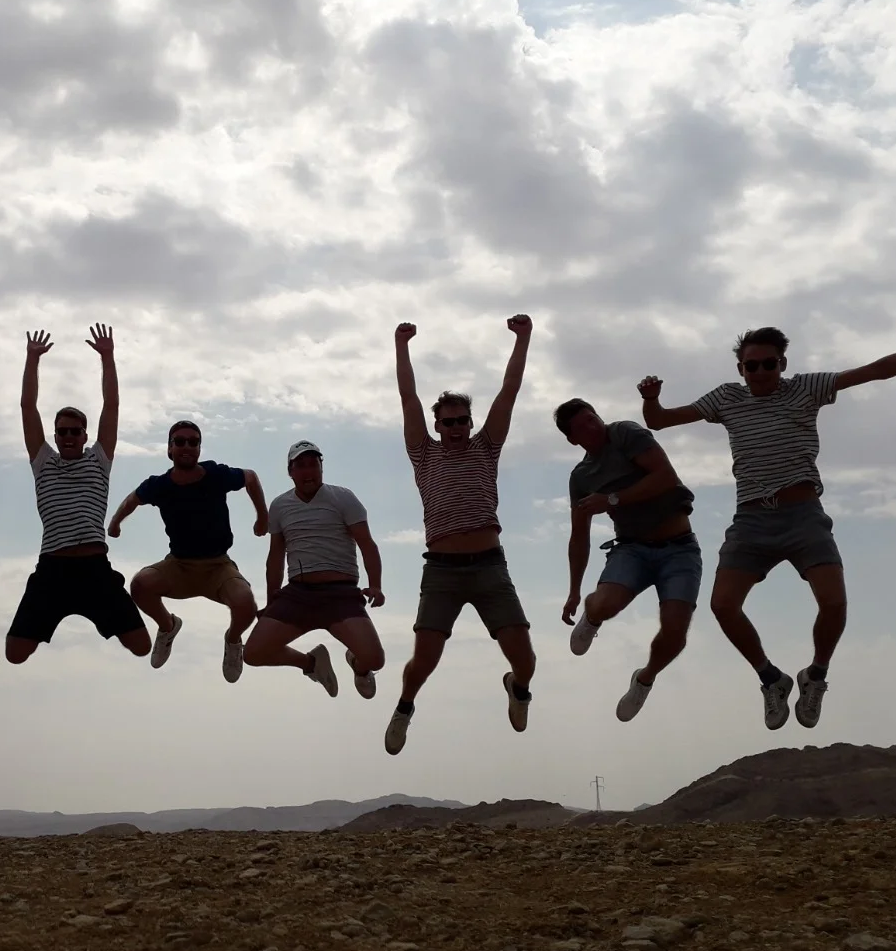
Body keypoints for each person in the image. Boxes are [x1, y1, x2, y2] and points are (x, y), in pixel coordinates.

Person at [641, 326, 896, 729]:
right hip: (752, 519)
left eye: (768, 364)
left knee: (834, 602)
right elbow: (660, 422)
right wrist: (650, 399)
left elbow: (875, 371)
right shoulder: (726, 398)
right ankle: (771, 679)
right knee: (723, 605)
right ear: (740, 369)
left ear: (782, 364)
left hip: (803, 512)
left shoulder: (805, 389)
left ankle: (816, 675)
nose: (759, 372)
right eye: (751, 366)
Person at [386, 317, 534, 755]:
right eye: (447, 422)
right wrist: (401, 346)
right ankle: (404, 709)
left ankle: (518, 689)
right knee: (423, 663)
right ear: (437, 426)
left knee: (525, 661)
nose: (454, 428)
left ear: (470, 423)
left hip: (490, 567)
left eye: (461, 421)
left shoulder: (486, 447)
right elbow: (408, 397)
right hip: (443, 572)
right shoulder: (423, 453)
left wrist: (523, 338)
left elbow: (510, 391)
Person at [5, 326, 150, 663]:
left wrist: (107, 357)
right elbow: (27, 407)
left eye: (75, 431)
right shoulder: (44, 463)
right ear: (54, 436)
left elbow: (111, 405)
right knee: (15, 653)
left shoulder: (98, 461)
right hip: (52, 568)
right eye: (62, 432)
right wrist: (31, 359)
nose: (68, 436)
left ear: (85, 435)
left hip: (94, 568)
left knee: (141, 646)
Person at [555, 399, 699, 722]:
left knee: (675, 633)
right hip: (632, 549)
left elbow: (666, 476)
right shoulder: (581, 477)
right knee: (604, 604)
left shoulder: (625, 434)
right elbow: (579, 537)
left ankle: (644, 679)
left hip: (679, 547)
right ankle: (591, 618)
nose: (592, 428)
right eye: (581, 428)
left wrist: (612, 499)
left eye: (592, 419)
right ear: (572, 439)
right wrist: (574, 591)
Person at [107, 421, 270, 681]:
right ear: (169, 449)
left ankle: (233, 641)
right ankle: (167, 626)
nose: (186, 446)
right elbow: (132, 500)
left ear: (199, 448)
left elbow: (249, 477)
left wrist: (262, 517)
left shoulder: (215, 474)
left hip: (218, 566)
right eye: (180, 441)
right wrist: (115, 523)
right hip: (179, 566)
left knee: (246, 605)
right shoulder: (159, 485)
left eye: (193, 442)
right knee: (139, 585)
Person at [242, 441, 385, 696]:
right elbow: (275, 555)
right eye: (300, 465)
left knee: (375, 659)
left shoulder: (343, 497)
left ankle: (358, 666)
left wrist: (376, 584)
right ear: (290, 471)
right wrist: (272, 597)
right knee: (252, 653)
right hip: (299, 593)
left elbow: (367, 543)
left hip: (341, 594)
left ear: (321, 467)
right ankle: (310, 662)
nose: (308, 471)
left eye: (313, 464)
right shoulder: (280, 505)